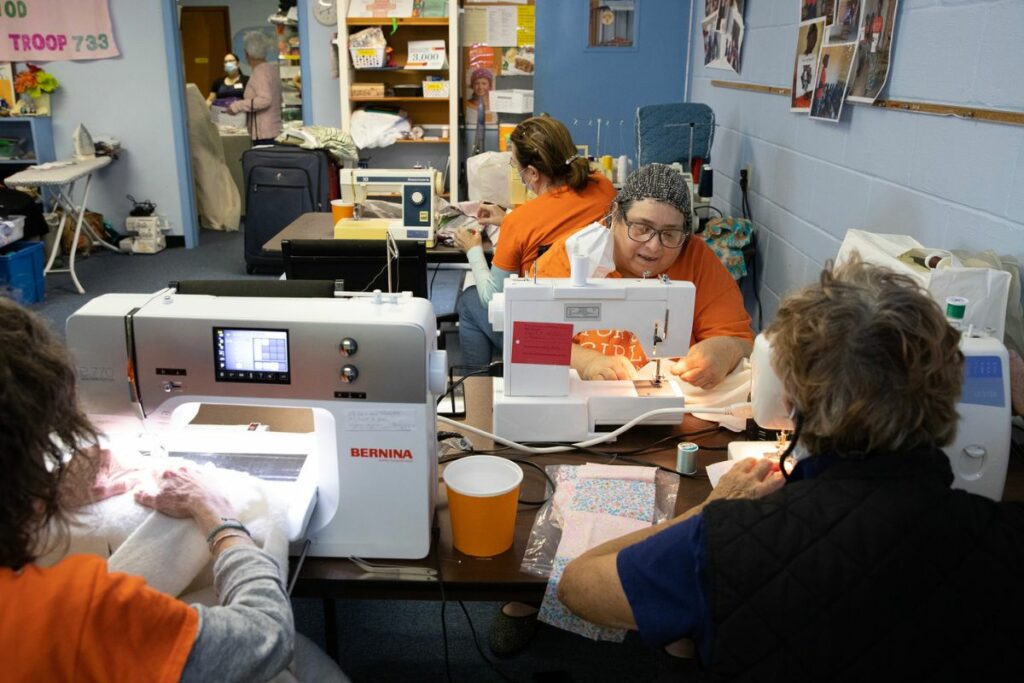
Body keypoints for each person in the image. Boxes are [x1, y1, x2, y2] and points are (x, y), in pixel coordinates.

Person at [557, 259, 1024, 680]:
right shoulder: (1004, 536)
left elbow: (578, 586)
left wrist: (709, 511)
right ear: (948, 391)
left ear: (791, 399)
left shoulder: (726, 543)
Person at [0, 297, 346, 681]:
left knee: (308, 657)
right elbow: (264, 637)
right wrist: (220, 520)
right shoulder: (77, 612)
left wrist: (40, 488)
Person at [535, 163, 753, 390]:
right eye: (641, 228)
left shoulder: (695, 259)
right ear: (616, 214)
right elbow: (529, 337)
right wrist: (586, 362)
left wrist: (727, 350)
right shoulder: (575, 255)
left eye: (670, 234)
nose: (653, 247)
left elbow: (745, 344)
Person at [452, 116, 616, 367]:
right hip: (596, 317)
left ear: (532, 173)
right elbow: (564, 230)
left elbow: (492, 298)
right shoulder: (604, 188)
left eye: (514, 165)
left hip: (546, 330)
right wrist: (506, 218)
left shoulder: (521, 222)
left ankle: (479, 396)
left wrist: (472, 249)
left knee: (470, 299)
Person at [227, 32, 282, 144]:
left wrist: (237, 106)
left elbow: (265, 100)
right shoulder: (271, 69)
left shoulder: (260, 72)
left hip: (264, 134)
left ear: (247, 54)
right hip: (274, 129)